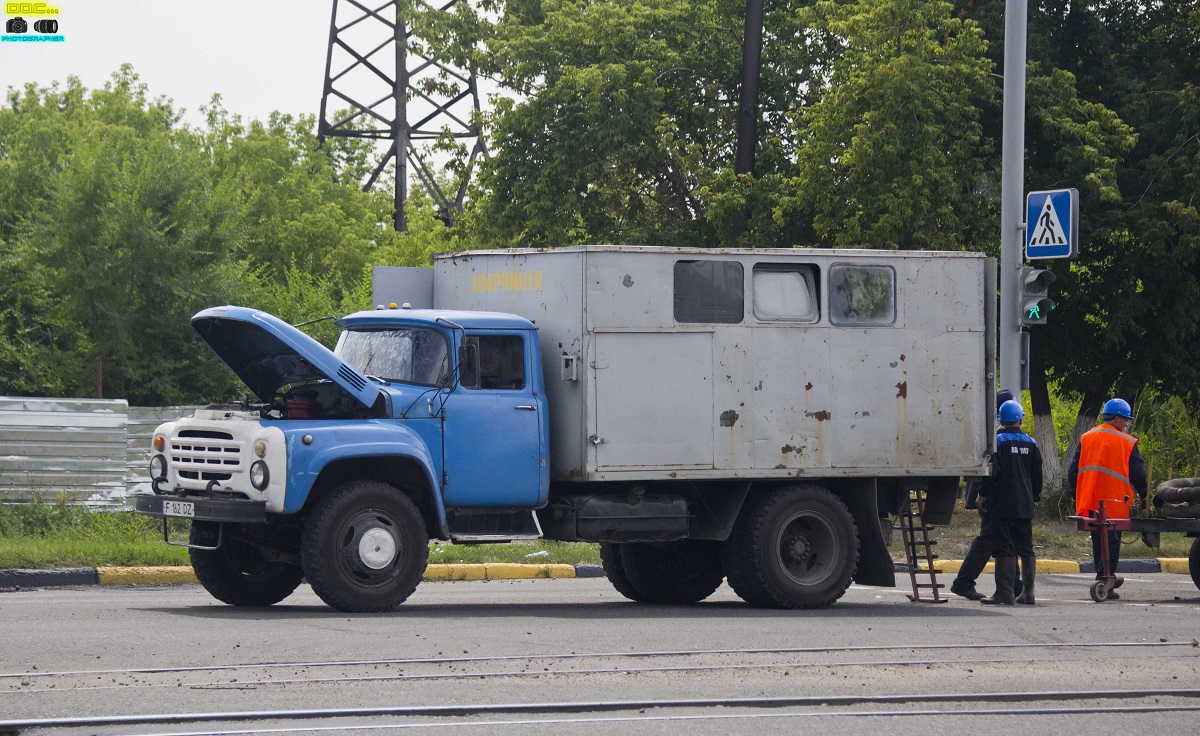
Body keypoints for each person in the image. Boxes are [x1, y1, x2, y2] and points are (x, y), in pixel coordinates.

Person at [1068, 398, 1148, 599]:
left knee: (1098, 539)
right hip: (1115, 501)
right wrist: (1145, 494)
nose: (1127, 424)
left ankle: (1104, 578)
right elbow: (1138, 474)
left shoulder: (1087, 437)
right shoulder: (1127, 442)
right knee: (1111, 541)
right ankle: (1105, 582)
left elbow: (1073, 470)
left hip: (1091, 500)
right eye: (1126, 419)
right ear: (1117, 418)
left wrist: (1074, 494)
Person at [951, 389, 1024, 601]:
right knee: (990, 539)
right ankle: (964, 582)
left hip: (994, 497)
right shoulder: (997, 438)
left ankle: (1014, 585)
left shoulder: (993, 433)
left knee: (999, 538)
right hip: (993, 497)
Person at [978, 399, 1043, 605]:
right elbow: (1037, 476)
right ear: (1020, 420)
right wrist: (1033, 497)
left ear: (1001, 420)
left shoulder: (998, 442)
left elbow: (991, 474)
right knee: (1026, 547)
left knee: (1004, 546)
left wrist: (983, 495)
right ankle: (1029, 593)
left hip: (1003, 504)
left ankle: (1004, 592)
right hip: (1025, 504)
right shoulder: (1032, 443)